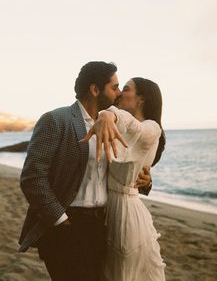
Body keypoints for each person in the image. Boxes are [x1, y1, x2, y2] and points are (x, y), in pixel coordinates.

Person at [18, 61, 152, 281]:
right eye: (114, 87)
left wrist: (145, 182)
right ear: (95, 89)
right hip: (66, 225)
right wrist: (61, 221)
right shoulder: (56, 120)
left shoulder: (114, 124)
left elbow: (124, 170)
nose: (118, 93)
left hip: (103, 227)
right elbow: (32, 177)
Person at [82, 77, 166, 281]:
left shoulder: (151, 127)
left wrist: (109, 113)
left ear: (141, 100)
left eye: (126, 89)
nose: (120, 93)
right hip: (109, 211)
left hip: (127, 216)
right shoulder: (121, 131)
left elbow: (136, 128)